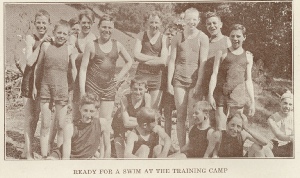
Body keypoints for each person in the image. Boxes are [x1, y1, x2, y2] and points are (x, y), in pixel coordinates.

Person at [168, 8, 209, 149]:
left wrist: (198, 84)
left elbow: (203, 62)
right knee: (180, 115)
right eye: (188, 19)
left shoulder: (203, 37)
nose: (191, 22)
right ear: (184, 20)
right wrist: (169, 82)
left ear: (198, 21)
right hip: (178, 80)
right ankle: (181, 148)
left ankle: (192, 147)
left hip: (194, 81)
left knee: (193, 116)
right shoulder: (177, 37)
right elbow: (172, 60)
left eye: (194, 19)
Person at [33, 19, 75, 158]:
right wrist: (34, 86)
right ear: (54, 32)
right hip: (45, 88)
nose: (61, 36)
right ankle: (45, 154)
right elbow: (38, 68)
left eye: (64, 33)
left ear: (68, 35)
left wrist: (72, 89)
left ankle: (58, 152)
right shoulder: (45, 46)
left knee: (61, 125)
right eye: (59, 32)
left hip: (62, 89)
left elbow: (73, 70)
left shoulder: (69, 49)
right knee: (45, 123)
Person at [208, 24, 255, 130]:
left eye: (238, 36)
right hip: (221, 94)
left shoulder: (248, 56)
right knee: (220, 128)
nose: (235, 39)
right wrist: (210, 94)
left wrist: (253, 101)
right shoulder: (221, 53)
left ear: (244, 37)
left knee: (235, 128)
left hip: (238, 94)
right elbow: (214, 74)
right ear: (229, 37)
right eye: (232, 36)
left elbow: (248, 80)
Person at [19, 9, 51, 159]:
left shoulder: (50, 40)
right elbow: (30, 61)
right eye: (38, 22)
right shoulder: (30, 38)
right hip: (29, 80)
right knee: (29, 118)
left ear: (49, 24)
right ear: (34, 23)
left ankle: (27, 148)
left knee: (37, 117)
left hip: (42, 82)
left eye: (44, 23)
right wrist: (41, 45)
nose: (41, 26)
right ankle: (29, 152)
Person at [48, 93, 110, 159]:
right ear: (80, 108)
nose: (88, 115)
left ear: (97, 111)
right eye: (85, 110)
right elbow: (65, 158)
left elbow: (107, 147)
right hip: (66, 157)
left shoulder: (102, 124)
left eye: (91, 111)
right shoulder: (70, 128)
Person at [134, 11, 168, 111]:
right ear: (147, 23)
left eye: (156, 22)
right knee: (138, 107)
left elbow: (163, 61)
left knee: (153, 109)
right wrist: (155, 59)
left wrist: (142, 59)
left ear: (161, 23)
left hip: (156, 77)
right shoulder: (141, 35)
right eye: (151, 22)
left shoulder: (164, 38)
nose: (154, 25)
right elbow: (136, 55)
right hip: (141, 76)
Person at [112, 77, 151, 158]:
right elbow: (126, 123)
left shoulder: (147, 97)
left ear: (146, 89)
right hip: (120, 126)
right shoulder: (125, 99)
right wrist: (141, 122)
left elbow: (148, 120)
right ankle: (114, 147)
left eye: (140, 89)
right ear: (130, 89)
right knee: (122, 158)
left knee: (143, 151)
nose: (138, 92)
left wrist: (132, 119)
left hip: (135, 127)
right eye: (135, 89)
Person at [70, 9, 97, 121]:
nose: (86, 25)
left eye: (89, 22)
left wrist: (78, 55)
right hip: (76, 78)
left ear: (92, 23)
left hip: (90, 79)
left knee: (90, 112)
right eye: (84, 22)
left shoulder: (95, 39)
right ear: (79, 22)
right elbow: (71, 57)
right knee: (76, 111)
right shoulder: (74, 37)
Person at [202, 12, 231, 100]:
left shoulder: (228, 40)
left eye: (214, 23)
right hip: (207, 84)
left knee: (222, 113)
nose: (212, 26)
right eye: (209, 24)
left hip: (223, 84)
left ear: (221, 25)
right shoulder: (205, 42)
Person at [160, 25, 178, 137]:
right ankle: (156, 139)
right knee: (157, 110)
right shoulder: (161, 48)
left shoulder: (177, 49)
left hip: (171, 82)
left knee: (168, 111)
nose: (170, 36)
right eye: (168, 34)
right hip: (159, 81)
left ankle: (168, 138)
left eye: (173, 34)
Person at [268, 90, 293, 157]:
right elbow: (279, 135)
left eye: (290, 104)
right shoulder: (272, 118)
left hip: (291, 145)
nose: (287, 106)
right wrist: (293, 138)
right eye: (285, 103)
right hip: (276, 145)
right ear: (280, 103)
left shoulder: (295, 117)